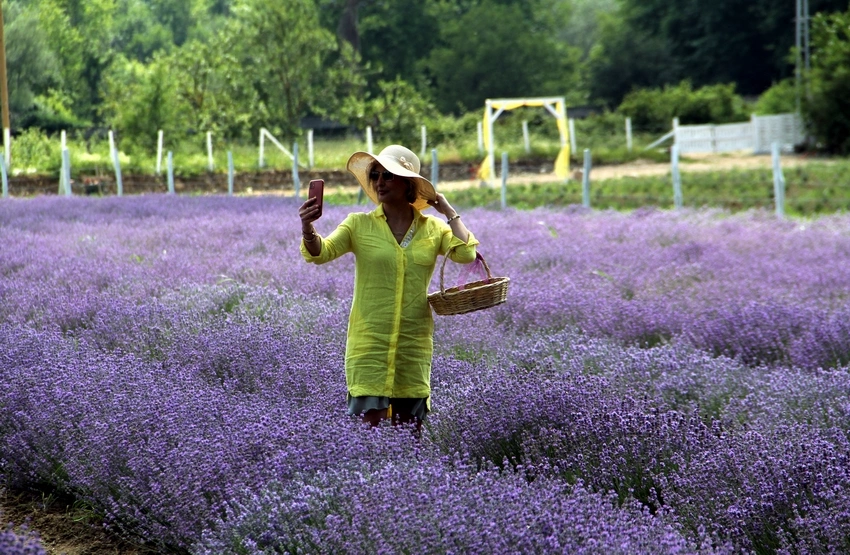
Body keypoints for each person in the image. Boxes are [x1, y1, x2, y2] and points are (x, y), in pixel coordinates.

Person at [298, 145, 478, 432]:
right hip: (370, 345)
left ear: (408, 184)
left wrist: (448, 211)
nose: (379, 181)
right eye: (375, 175)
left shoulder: (433, 229)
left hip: (412, 346)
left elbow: (466, 254)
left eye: (388, 175)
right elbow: (321, 252)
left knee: (410, 439)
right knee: (371, 439)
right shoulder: (358, 225)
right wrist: (308, 228)